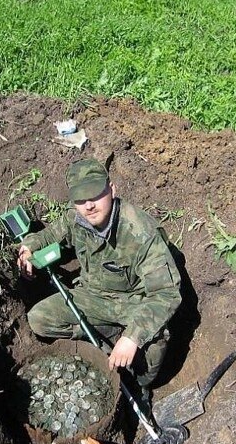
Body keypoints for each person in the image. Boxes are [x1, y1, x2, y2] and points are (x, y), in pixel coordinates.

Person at [17, 158, 182, 407]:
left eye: (96, 195)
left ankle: (137, 385)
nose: (89, 205)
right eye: (81, 199)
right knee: (40, 319)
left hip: (133, 303)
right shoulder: (76, 216)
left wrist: (133, 337)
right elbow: (51, 234)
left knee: (151, 353)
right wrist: (30, 246)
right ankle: (104, 344)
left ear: (112, 189)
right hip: (93, 295)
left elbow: (166, 294)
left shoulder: (140, 232)